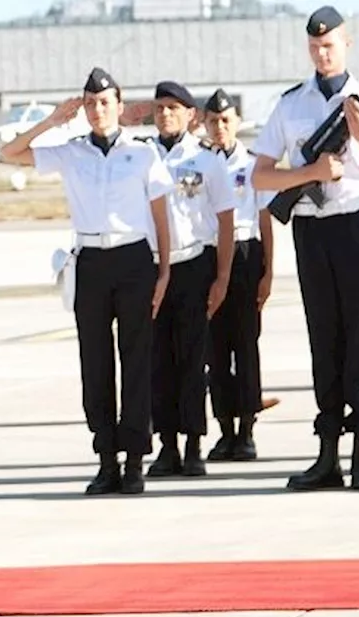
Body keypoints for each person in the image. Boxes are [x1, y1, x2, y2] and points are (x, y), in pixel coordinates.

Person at [0, 67, 174, 496]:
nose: (98, 110)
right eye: (91, 103)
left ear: (119, 105)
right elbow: (10, 153)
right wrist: (52, 121)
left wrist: (164, 268)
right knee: (94, 363)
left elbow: (160, 213)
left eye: (105, 102)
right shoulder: (71, 151)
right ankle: (106, 459)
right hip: (91, 260)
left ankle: (134, 459)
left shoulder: (143, 152)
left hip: (134, 258)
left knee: (135, 361)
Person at [250, 6, 359, 491]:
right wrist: (308, 175)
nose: (322, 52)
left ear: (347, 44)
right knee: (325, 340)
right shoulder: (291, 104)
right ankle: (327, 454)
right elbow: (260, 175)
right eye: (315, 46)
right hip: (312, 231)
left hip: (355, 225)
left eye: (330, 44)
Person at [142, 81, 236, 479]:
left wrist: (223, 277)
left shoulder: (206, 160)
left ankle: (195, 443)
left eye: (174, 108)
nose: (165, 115)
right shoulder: (140, 155)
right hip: (150, 268)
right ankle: (166, 445)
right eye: (160, 108)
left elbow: (226, 218)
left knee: (194, 360)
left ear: (190, 115)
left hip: (194, 264)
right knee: (157, 360)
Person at [202, 89, 276, 461]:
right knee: (215, 348)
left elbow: (264, 218)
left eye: (225, 120)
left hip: (246, 255)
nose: (219, 127)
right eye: (213, 121)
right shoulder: (199, 164)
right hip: (210, 255)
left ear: (237, 123)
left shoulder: (251, 165)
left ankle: (247, 429)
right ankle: (225, 428)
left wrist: (268, 272)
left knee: (245, 345)